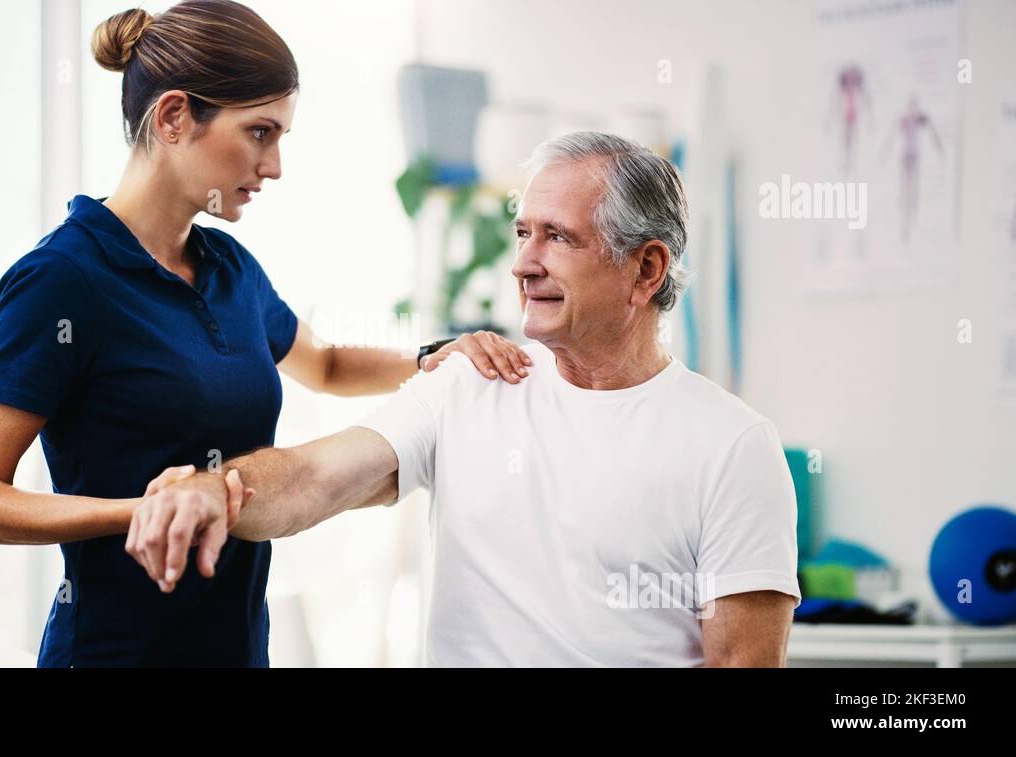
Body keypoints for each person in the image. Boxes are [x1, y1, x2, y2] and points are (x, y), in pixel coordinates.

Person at [0, 0, 529, 668]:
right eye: (259, 132)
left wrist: (432, 357)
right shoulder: (62, 280)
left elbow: (328, 365)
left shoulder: (230, 268)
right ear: (173, 117)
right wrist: (150, 508)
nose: (275, 164)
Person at [129, 132, 803, 667]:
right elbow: (313, 478)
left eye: (557, 237)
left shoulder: (731, 446)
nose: (522, 262)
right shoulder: (473, 383)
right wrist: (219, 489)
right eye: (521, 232)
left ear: (646, 269)